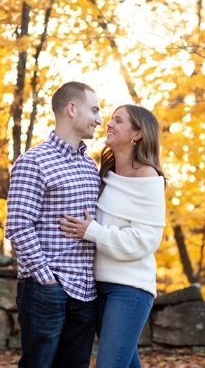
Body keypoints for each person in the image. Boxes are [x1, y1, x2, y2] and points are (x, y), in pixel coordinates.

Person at [5, 81, 103, 368]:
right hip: (47, 288)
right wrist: (46, 279)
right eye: (94, 110)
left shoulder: (89, 165)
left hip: (86, 291)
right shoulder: (33, 162)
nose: (99, 119)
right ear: (72, 109)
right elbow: (19, 226)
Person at [59, 104, 166, 368]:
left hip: (129, 289)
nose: (108, 124)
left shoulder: (148, 176)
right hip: (97, 286)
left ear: (137, 134)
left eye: (118, 121)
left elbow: (146, 240)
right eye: (110, 119)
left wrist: (92, 231)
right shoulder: (105, 173)